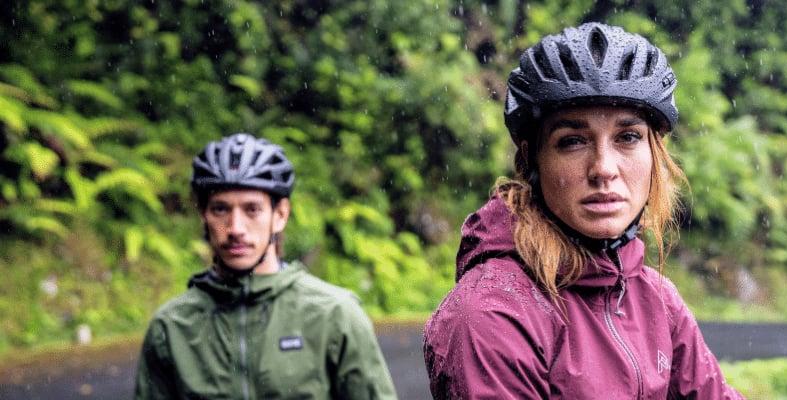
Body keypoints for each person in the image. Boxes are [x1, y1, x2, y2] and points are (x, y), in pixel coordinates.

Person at [423, 22, 744, 399]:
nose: (604, 168)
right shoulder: (491, 315)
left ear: (655, 155)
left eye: (627, 137)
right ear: (531, 161)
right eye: (572, 141)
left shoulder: (656, 299)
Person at [134, 133, 397, 399]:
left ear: (280, 215)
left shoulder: (334, 316)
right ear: (203, 214)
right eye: (221, 209)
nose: (236, 228)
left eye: (252, 210)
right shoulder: (171, 328)